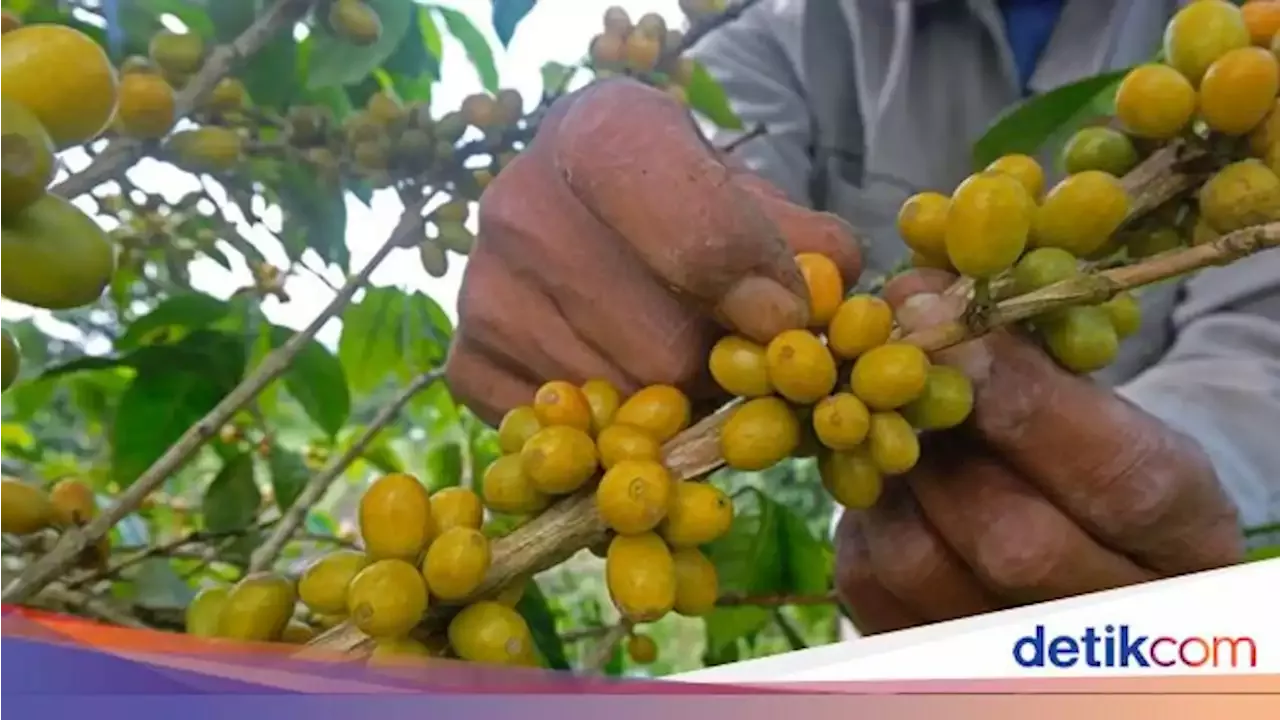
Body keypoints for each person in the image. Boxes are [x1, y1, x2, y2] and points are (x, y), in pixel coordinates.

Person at [444, 0, 1279, 637]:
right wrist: (610, 231)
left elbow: (1260, 346)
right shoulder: (784, 31)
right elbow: (707, 169)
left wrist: (1152, 489)